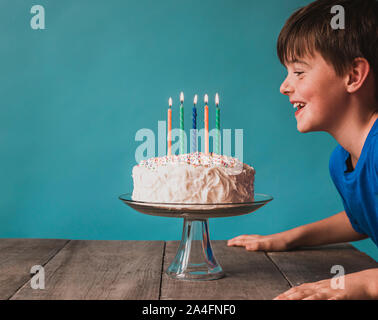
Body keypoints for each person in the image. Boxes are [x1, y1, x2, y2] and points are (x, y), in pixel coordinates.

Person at [228, 0, 378, 300]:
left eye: (299, 71)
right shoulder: (341, 160)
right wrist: (288, 238)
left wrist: (361, 284)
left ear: (353, 75)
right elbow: (363, 216)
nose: (284, 86)